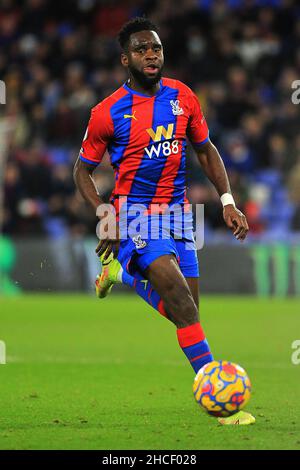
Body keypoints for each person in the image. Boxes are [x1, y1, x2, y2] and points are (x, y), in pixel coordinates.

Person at [73, 17, 254, 426]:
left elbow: (206, 151)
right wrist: (104, 213)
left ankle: (121, 275)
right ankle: (220, 404)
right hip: (133, 216)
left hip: (179, 216)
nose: (151, 54)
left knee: (186, 312)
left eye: (155, 47)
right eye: (141, 49)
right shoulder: (107, 112)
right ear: (125, 59)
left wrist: (227, 201)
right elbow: (81, 171)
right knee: (183, 306)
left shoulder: (183, 97)